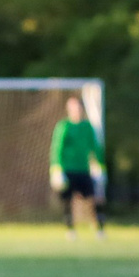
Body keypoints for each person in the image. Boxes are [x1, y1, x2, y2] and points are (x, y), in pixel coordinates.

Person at [50, 94, 105, 239]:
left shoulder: (87, 127)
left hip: (84, 169)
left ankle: (99, 229)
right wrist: (56, 169)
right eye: (73, 108)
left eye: (78, 108)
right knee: (67, 201)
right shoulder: (64, 126)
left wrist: (100, 167)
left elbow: (95, 147)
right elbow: (57, 148)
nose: (76, 111)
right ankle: (70, 230)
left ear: (82, 109)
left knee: (95, 198)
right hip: (67, 170)